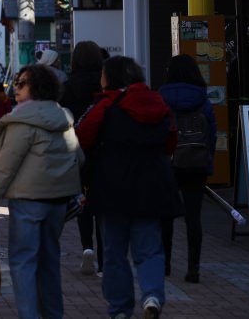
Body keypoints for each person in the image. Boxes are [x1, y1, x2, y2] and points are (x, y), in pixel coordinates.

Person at [76, 56, 182, 319]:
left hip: (112, 185)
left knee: (114, 253)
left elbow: (82, 136)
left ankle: (120, 309)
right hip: (153, 184)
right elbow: (171, 141)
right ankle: (153, 295)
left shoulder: (105, 104)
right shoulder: (157, 102)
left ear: (110, 77)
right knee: (149, 249)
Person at [0, 64, 82, 319]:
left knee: (23, 262)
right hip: (57, 201)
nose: (15, 88)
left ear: (36, 87)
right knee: (49, 263)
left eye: (21, 83)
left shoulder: (23, 120)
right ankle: (53, 314)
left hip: (27, 201)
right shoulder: (63, 118)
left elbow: (4, 168)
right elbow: (79, 156)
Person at [159, 54, 216, 284]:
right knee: (194, 218)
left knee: (166, 217)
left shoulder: (162, 96)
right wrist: (206, 158)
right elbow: (211, 133)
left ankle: (165, 265)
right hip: (196, 162)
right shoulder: (203, 98)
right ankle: (193, 269)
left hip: (169, 162)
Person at [60, 40, 104, 275]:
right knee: (103, 204)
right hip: (103, 150)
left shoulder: (68, 87)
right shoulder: (104, 84)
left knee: (82, 200)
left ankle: (87, 247)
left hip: (75, 150)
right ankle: (105, 259)